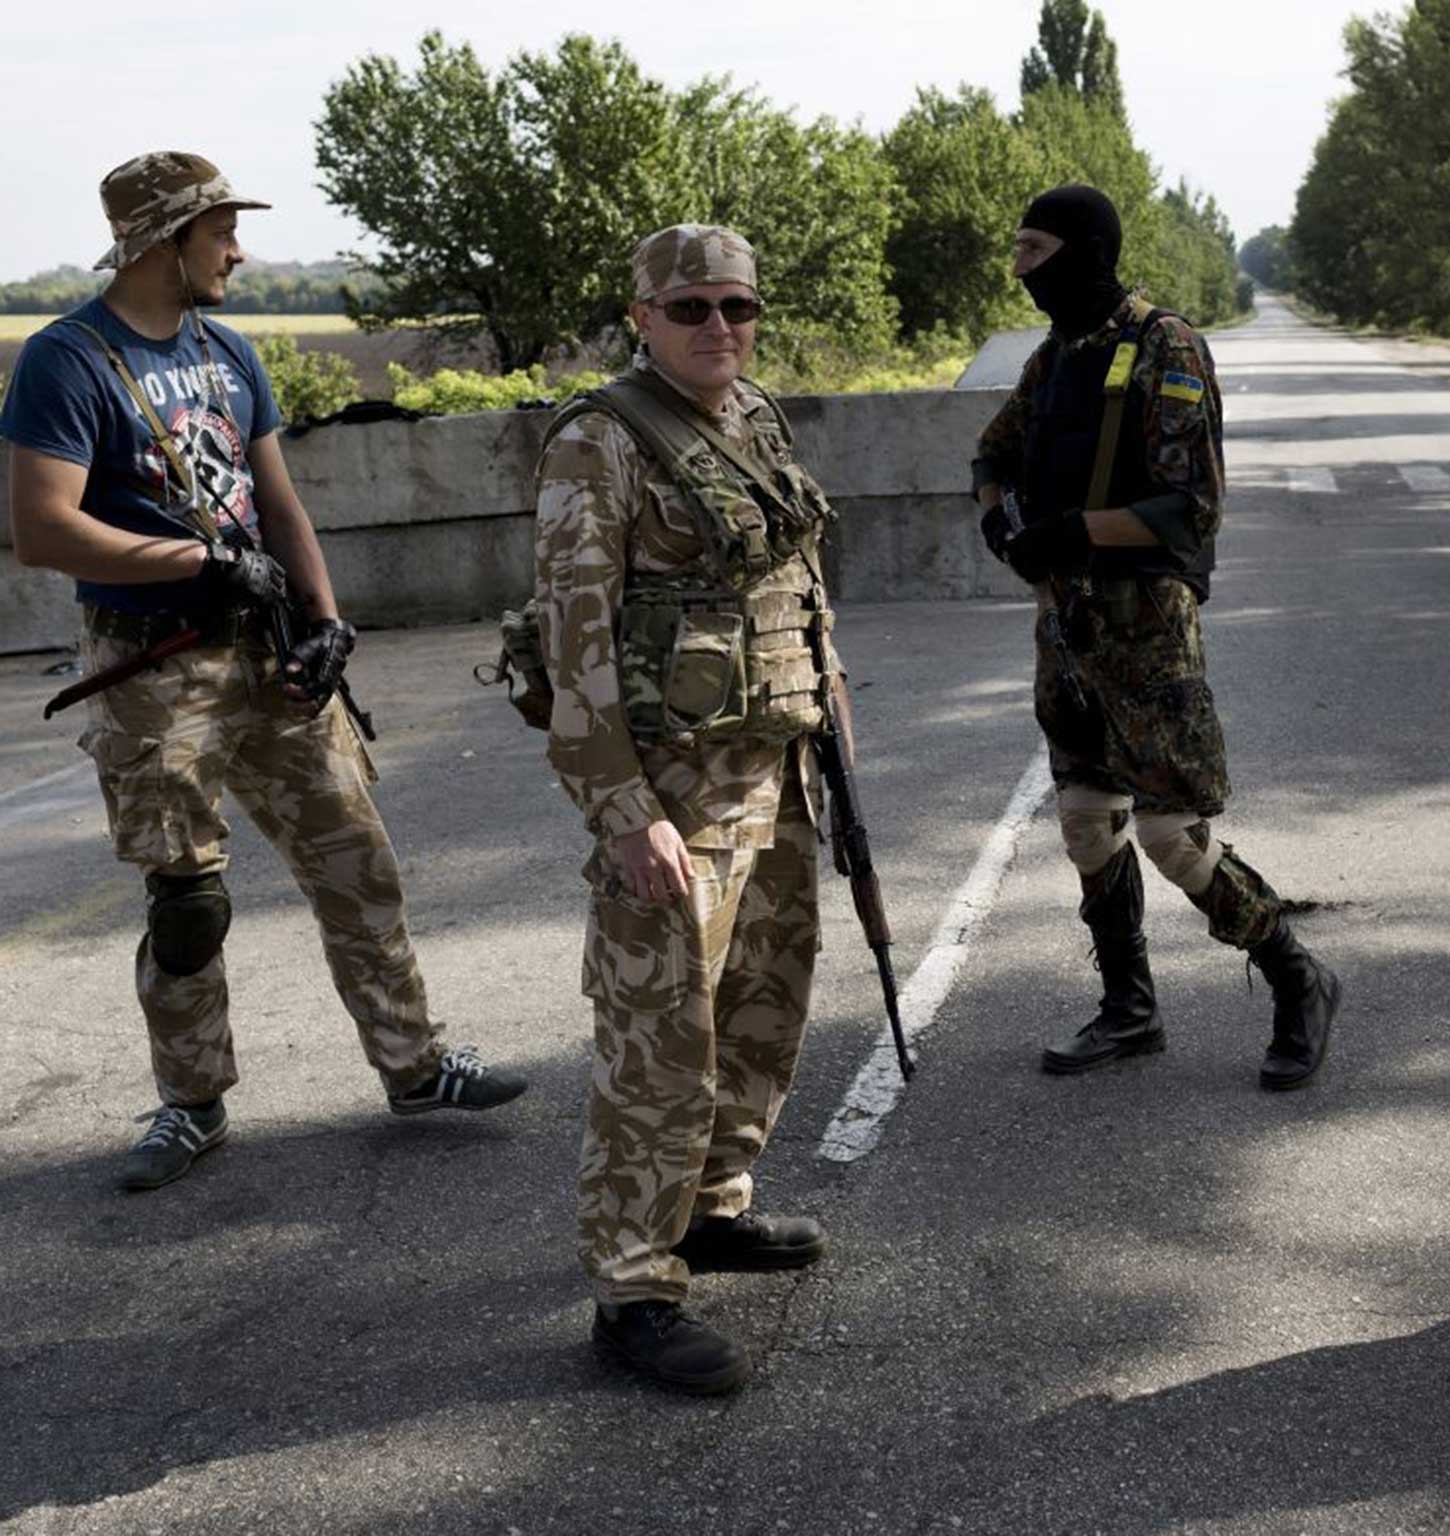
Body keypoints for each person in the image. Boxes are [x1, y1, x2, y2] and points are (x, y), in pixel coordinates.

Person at [0, 153, 529, 1192]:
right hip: (153, 668)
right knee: (187, 904)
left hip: (269, 646)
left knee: (356, 862)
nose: (239, 251)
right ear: (161, 240)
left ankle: (414, 1066)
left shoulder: (227, 350)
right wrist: (196, 560)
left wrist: (326, 624)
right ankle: (192, 1103)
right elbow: (42, 530)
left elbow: (278, 506)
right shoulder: (68, 361)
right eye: (220, 233)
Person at [534, 224, 837, 1397]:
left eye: (739, 306)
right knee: (658, 1042)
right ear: (643, 318)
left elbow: (792, 587)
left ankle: (711, 1206)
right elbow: (576, 636)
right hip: (670, 793)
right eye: (694, 306)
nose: (720, 326)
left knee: (763, 1008)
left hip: (775, 770)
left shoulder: (753, 416)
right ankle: (633, 1288)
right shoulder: (599, 442)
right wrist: (620, 808)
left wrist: (830, 721)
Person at [971, 184, 1342, 1090]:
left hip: (1143, 629)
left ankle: (1300, 979)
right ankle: (1130, 1009)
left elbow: (1192, 506)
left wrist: (1075, 533)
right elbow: (993, 451)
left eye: (1033, 250)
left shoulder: (1164, 346)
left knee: (1173, 833)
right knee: (1087, 826)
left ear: (1084, 251)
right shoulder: (1056, 356)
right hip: (1065, 630)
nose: (1019, 269)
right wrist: (1000, 517)